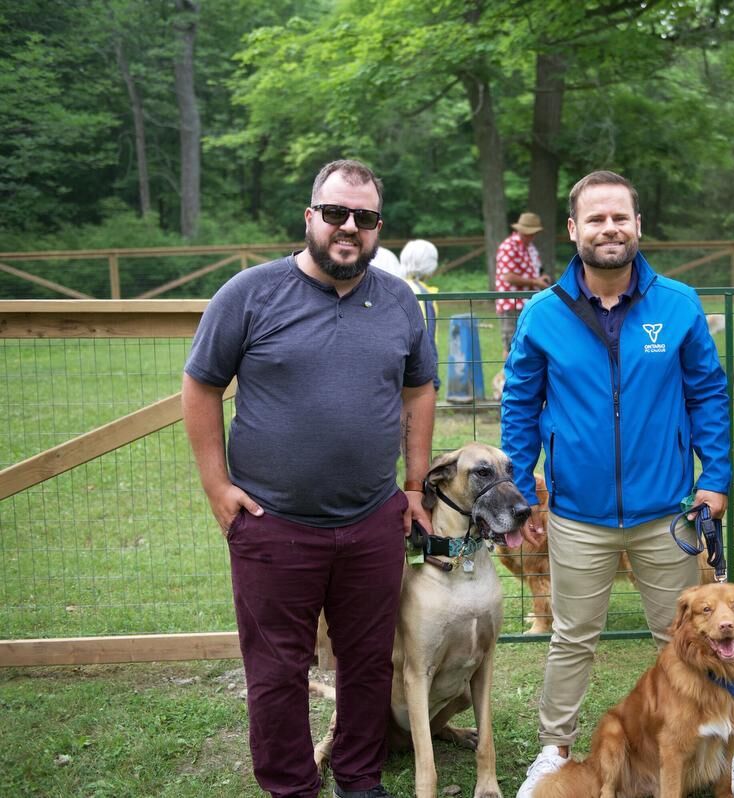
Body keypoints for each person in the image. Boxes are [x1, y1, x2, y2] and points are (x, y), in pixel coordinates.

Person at [182, 158, 437, 798]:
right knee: (275, 670)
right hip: (273, 523)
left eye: (365, 217)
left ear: (378, 226)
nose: (349, 227)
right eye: (336, 213)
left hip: (373, 519)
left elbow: (420, 389)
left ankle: (358, 778)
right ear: (310, 217)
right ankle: (291, 787)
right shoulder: (249, 293)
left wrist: (412, 486)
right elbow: (201, 385)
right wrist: (218, 487)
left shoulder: (400, 300)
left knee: (369, 661)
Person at [501, 170, 734, 798]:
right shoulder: (543, 312)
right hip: (577, 512)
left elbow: (707, 395)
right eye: (596, 219)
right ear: (573, 230)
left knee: (689, 636)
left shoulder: (677, 304)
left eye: (620, 217)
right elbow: (520, 407)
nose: (609, 229)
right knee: (571, 636)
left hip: (667, 508)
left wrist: (715, 476)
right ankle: (554, 746)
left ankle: (718, 750)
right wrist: (524, 492)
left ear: (638, 225)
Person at [374, 240, 442, 391]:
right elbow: (427, 338)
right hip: (415, 374)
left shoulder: (392, 286)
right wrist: (434, 381)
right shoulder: (423, 294)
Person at [494, 211, 552, 386]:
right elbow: (507, 277)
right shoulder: (508, 246)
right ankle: (507, 383)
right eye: (528, 232)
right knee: (511, 345)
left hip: (529, 304)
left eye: (532, 232)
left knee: (529, 345)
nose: (530, 235)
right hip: (511, 304)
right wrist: (535, 282)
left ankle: (520, 382)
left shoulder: (531, 248)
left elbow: (536, 271)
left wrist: (543, 278)